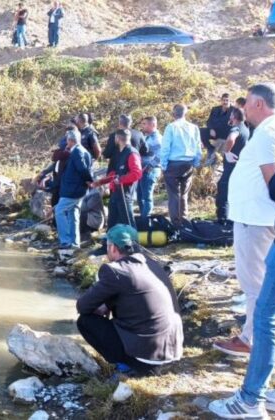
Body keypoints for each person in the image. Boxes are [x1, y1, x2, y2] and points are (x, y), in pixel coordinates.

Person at [208, 95, 275, 419]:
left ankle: (249, 400)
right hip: (270, 224)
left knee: (266, 310)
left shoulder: (273, 130)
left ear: (257, 102)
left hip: (267, 225)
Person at [76, 224, 184, 376]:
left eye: (107, 246)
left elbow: (82, 306)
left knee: (86, 321)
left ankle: (125, 365)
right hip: (172, 351)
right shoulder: (152, 264)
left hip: (146, 359)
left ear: (113, 248)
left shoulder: (115, 271)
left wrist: (102, 306)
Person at [159, 104, 202, 226]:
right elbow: (198, 146)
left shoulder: (171, 127)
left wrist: (163, 165)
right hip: (188, 163)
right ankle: (184, 219)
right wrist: (196, 162)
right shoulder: (194, 128)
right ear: (185, 113)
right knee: (184, 193)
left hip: (173, 163)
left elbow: (165, 147)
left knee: (173, 194)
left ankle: (176, 223)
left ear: (174, 114)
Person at [91, 129, 142, 229]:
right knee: (112, 221)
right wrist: (101, 182)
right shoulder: (119, 153)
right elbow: (115, 174)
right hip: (115, 192)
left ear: (117, 138)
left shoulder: (131, 153)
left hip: (125, 193)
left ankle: (133, 243)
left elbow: (136, 173)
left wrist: (121, 180)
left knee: (128, 221)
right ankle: (109, 243)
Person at [54, 128, 93, 249]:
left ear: (70, 141)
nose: (66, 143)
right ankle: (74, 243)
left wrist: (89, 181)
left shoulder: (77, 152)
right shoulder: (83, 151)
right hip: (77, 189)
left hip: (73, 190)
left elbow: (82, 169)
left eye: (67, 141)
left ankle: (65, 241)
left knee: (59, 211)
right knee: (73, 214)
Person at [215, 107, 250, 224]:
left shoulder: (236, 128)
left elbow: (231, 139)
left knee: (223, 190)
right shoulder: (245, 128)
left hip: (232, 167)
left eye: (231, 115)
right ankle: (233, 219)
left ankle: (223, 220)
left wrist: (227, 152)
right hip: (240, 167)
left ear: (233, 117)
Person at [136, 116, 163, 218]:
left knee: (146, 197)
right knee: (140, 196)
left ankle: (146, 220)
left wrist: (149, 166)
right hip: (142, 170)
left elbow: (161, 155)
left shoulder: (157, 138)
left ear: (153, 125)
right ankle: (143, 219)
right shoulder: (146, 137)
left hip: (150, 170)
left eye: (144, 124)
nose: (142, 126)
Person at [202, 93, 233, 166]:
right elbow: (209, 121)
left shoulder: (233, 111)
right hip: (214, 132)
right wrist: (211, 129)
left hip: (226, 134)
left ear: (230, 101)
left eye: (227, 100)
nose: (225, 102)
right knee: (200, 131)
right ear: (221, 100)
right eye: (223, 100)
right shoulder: (215, 109)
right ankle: (210, 148)